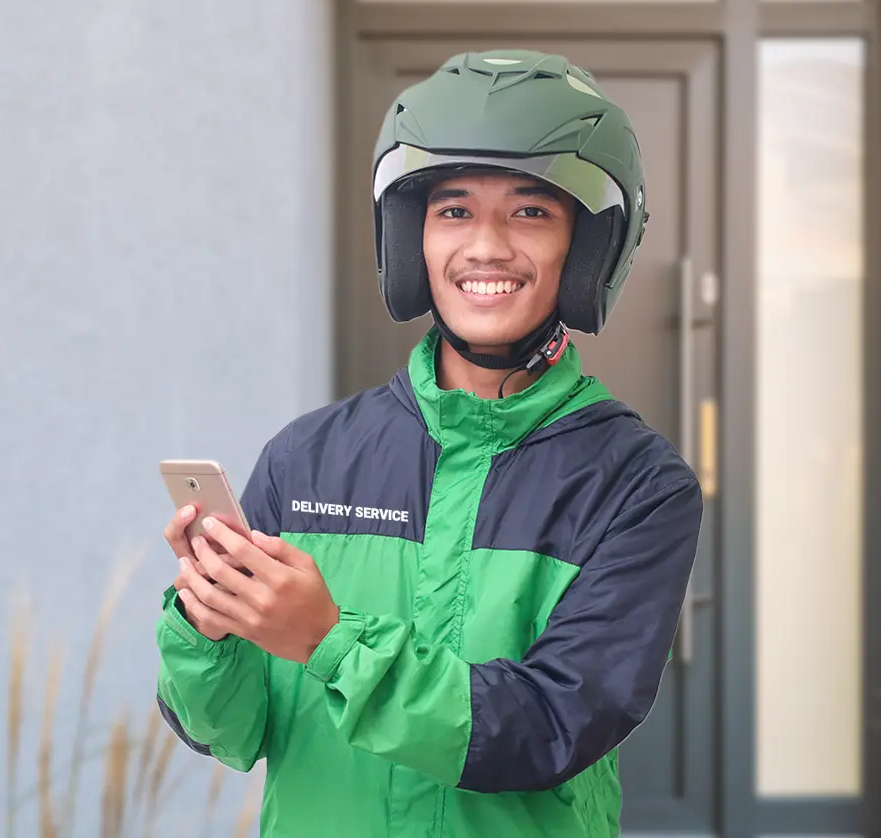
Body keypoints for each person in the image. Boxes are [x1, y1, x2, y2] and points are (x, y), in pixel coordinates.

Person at [152, 50, 703, 837]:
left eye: (530, 212)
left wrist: (326, 640)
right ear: (413, 238)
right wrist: (205, 626)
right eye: (453, 211)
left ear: (586, 249)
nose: (485, 247)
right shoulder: (305, 458)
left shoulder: (636, 487)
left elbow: (549, 728)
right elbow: (227, 733)